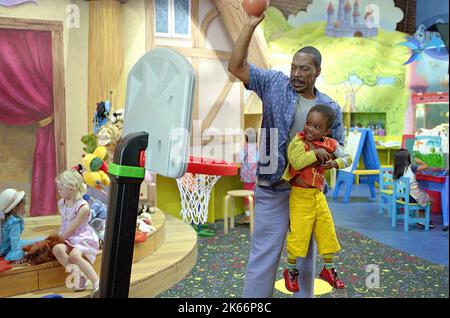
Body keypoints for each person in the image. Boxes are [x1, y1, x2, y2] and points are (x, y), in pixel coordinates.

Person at [228, 10, 344, 297]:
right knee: (263, 256)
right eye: (294, 67)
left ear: (317, 72)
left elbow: (337, 149)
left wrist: (327, 159)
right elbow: (235, 66)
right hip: (272, 187)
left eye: (304, 69)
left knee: (305, 258)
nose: (296, 73)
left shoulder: (330, 108)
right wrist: (249, 26)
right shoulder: (274, 84)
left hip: (308, 193)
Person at [281, 105, 352, 292]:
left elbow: (347, 158)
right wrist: (316, 153)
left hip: (318, 196)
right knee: (299, 235)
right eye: (308, 124)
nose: (310, 129)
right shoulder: (298, 141)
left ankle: (329, 270)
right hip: (300, 196)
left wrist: (334, 163)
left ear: (326, 131)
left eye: (316, 127)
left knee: (327, 231)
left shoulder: (331, 143)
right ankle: (290, 270)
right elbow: (297, 161)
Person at [52, 169, 100, 293]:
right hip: (69, 237)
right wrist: (58, 240)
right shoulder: (63, 203)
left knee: (74, 256)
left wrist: (59, 238)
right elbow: (65, 223)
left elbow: (72, 227)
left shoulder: (83, 207)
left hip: (83, 237)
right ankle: (80, 278)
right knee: (57, 249)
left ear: (71, 189)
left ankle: (96, 281)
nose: (58, 191)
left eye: (60, 189)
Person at [393, 149, 433, 229]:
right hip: (411, 196)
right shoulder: (412, 167)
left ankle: (422, 219)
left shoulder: (397, 170)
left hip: (403, 196)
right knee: (430, 200)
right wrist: (419, 161)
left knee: (423, 196)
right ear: (407, 159)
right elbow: (426, 166)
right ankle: (424, 220)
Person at [0, 188, 29, 264]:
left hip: (3, 245)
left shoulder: (2, 216)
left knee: (28, 242)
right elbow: (15, 242)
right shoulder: (14, 222)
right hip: (4, 249)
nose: (25, 206)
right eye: (23, 204)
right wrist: (18, 255)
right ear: (15, 208)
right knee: (38, 241)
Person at [237, 131, 258, 224]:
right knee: (256, 196)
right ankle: (256, 216)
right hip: (257, 176)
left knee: (247, 197)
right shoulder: (258, 148)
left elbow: (239, 160)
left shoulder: (244, 149)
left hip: (247, 177)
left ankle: (248, 217)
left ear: (246, 139)